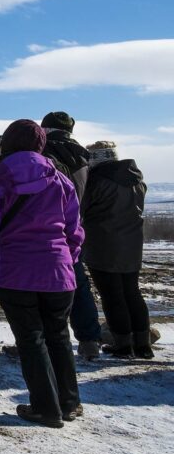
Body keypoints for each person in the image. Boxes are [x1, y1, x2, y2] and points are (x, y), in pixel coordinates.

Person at [0, 120, 83, 428]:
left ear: (6, 143)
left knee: (31, 339)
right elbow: (75, 232)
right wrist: (67, 260)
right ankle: (69, 403)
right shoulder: (61, 180)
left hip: (14, 272)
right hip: (59, 274)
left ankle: (46, 408)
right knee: (58, 336)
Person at [40, 111, 102, 360]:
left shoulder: (42, 154)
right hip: (75, 228)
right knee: (77, 282)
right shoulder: (85, 157)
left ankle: (38, 341)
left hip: (47, 229)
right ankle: (89, 341)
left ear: (45, 129)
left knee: (39, 288)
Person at [81, 141, 151, 359]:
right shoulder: (136, 180)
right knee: (132, 292)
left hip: (103, 244)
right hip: (132, 244)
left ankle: (123, 346)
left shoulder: (96, 181)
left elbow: (81, 209)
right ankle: (143, 345)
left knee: (112, 296)